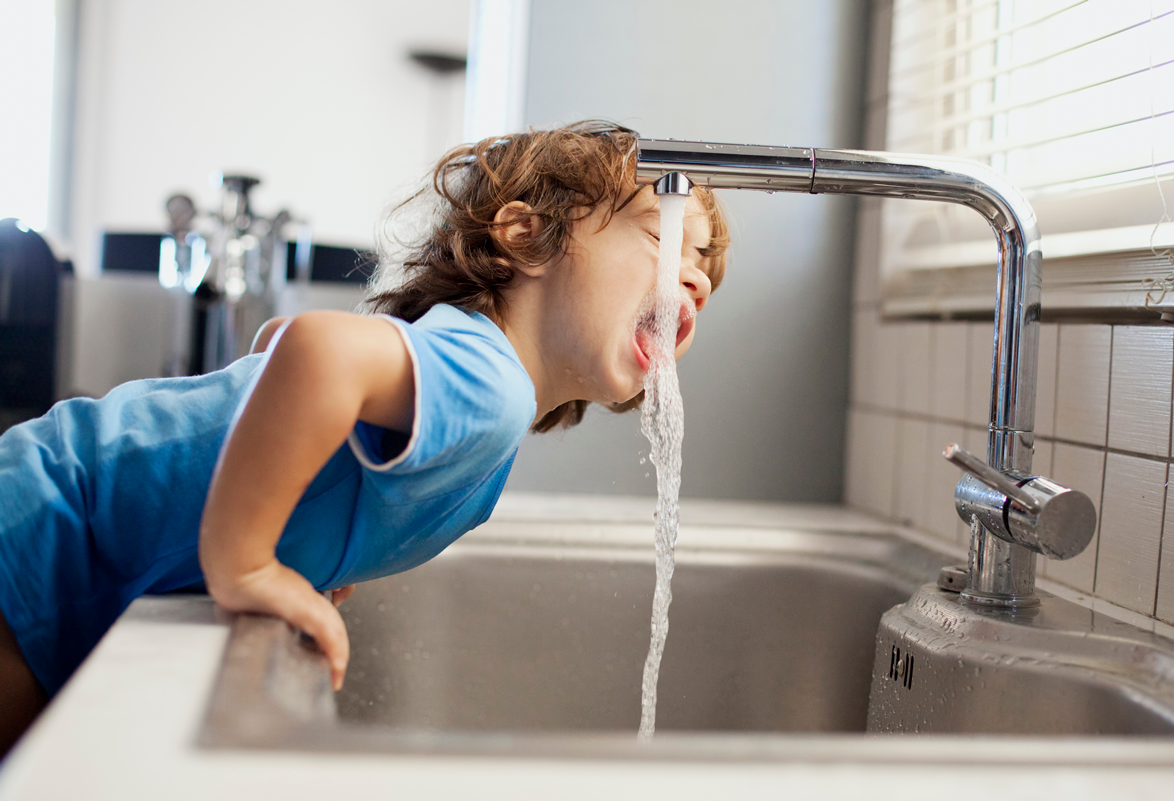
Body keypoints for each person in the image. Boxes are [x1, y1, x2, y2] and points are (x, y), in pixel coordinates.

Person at [0, 121, 729, 754]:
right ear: (525, 236)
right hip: (50, 526)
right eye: (667, 239)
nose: (692, 278)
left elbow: (274, 341)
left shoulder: (469, 370)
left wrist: (300, 525)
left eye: (705, 271)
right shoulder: (491, 382)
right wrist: (249, 560)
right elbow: (314, 349)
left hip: (62, 518)